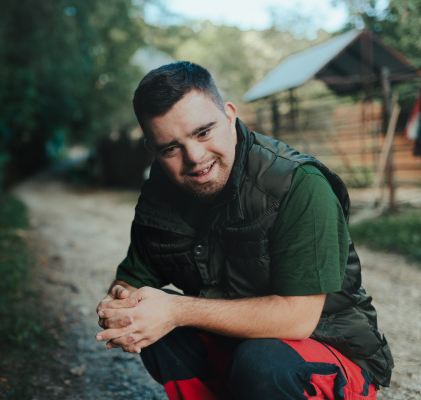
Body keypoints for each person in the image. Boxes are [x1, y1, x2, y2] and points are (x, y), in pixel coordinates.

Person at [95, 61, 394, 400]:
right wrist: (122, 308)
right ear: (153, 150)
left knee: (261, 361)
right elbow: (130, 281)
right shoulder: (159, 193)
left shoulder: (298, 183)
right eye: (171, 148)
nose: (194, 157)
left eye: (203, 132)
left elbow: (298, 318)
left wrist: (175, 310)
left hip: (331, 355)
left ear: (230, 115)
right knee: (159, 329)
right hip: (240, 349)